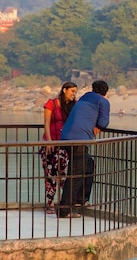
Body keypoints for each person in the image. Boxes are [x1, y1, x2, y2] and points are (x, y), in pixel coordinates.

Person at [58, 80, 111, 218]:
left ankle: (80, 200)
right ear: (105, 92)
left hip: (66, 137)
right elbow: (104, 122)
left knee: (88, 164)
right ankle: (64, 210)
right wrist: (97, 125)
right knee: (75, 174)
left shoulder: (84, 97)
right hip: (79, 140)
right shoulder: (103, 101)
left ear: (93, 89)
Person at [40, 81, 77, 214]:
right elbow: (46, 123)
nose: (74, 94)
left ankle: (65, 204)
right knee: (50, 174)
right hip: (50, 144)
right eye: (72, 91)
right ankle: (49, 204)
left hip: (64, 144)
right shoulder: (51, 104)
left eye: (75, 92)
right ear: (64, 90)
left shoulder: (73, 106)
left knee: (64, 175)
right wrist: (49, 142)